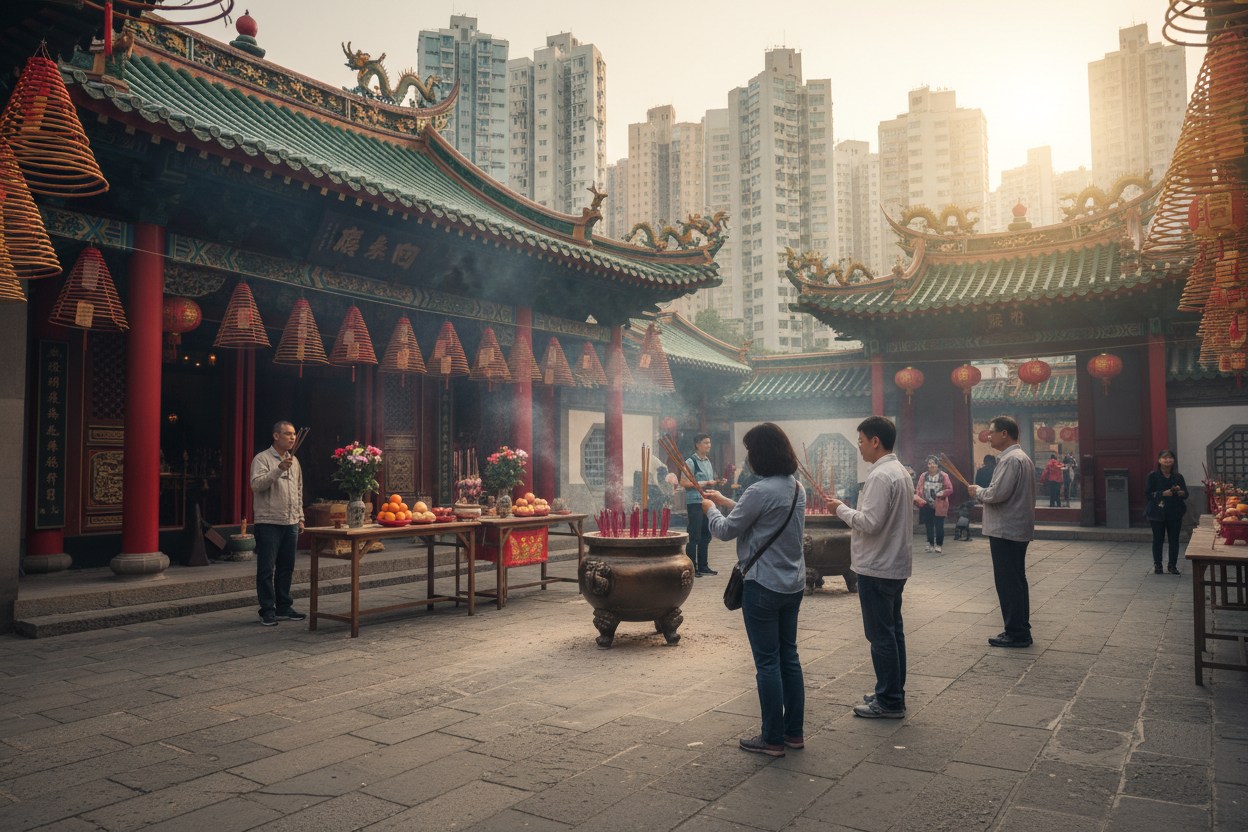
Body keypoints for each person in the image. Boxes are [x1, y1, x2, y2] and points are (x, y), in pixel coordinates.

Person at [702, 422, 806, 756]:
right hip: (792, 584)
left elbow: (725, 531)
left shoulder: (759, 491)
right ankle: (793, 734)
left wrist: (711, 509)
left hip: (762, 586)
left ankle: (772, 738)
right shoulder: (796, 488)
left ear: (760, 454)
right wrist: (726, 499)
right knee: (788, 656)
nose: (747, 458)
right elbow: (764, 515)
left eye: (749, 450)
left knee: (767, 663)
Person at [827, 416, 913, 719]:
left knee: (881, 635)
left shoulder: (880, 476)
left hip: (877, 566)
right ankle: (892, 691)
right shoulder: (900, 471)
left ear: (875, 441)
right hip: (894, 563)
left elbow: (870, 522)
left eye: (861, 441)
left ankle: (889, 701)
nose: (860, 447)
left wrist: (840, 509)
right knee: (893, 633)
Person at [968, 416, 1036, 649]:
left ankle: (1016, 632)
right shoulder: (1023, 458)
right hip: (1018, 528)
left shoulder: (1009, 460)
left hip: (1006, 529)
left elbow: (997, 494)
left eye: (992, 432)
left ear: (1004, 434)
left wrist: (978, 491)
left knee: (1008, 582)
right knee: (1017, 580)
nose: (989, 436)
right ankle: (1020, 628)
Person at [251, 421, 306, 627]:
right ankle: (267, 609)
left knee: (286, 567)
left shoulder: (295, 460)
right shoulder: (262, 458)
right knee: (266, 569)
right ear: (276, 436)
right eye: (287, 434)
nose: (292, 438)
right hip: (269, 521)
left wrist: (300, 517)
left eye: (293, 434)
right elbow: (256, 485)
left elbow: (299, 490)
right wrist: (278, 469)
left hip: (290, 521)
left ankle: (284, 607)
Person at [681, 433, 726, 578]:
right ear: (697, 444)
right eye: (706, 443)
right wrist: (704, 483)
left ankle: (703, 566)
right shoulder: (690, 461)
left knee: (706, 535)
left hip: (707, 502)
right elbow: (684, 482)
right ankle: (692, 567)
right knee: (694, 535)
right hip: (695, 502)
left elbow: (710, 481)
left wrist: (717, 482)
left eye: (709, 442)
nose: (709, 445)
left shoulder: (708, 462)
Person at [1144, 450, 1188, 575]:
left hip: (1175, 512)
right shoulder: (1152, 476)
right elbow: (1147, 494)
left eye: (1170, 458)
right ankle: (1158, 565)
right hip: (1157, 512)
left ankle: (1172, 565)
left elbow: (1186, 493)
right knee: (1158, 540)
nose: (1168, 460)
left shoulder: (1178, 477)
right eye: (1164, 457)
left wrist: (1182, 493)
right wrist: (1162, 493)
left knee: (1174, 540)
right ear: (1159, 460)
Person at [914, 456, 953, 554]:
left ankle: (939, 545)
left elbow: (950, 489)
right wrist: (919, 498)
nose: (932, 466)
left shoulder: (943, 475)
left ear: (937, 465)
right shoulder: (924, 475)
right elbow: (919, 488)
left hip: (940, 504)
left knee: (939, 525)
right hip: (927, 503)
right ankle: (930, 543)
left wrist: (941, 493)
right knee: (929, 525)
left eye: (934, 463)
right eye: (929, 463)